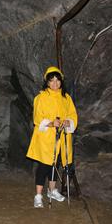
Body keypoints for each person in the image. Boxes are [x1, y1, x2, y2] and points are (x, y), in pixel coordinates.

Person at [26, 66, 78, 208]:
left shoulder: (66, 98)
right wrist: (50, 123)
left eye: (57, 80)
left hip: (61, 137)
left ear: (61, 81)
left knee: (55, 164)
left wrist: (69, 122)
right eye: (51, 81)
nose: (55, 83)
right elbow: (37, 117)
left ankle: (52, 190)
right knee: (44, 165)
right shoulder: (41, 98)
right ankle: (38, 195)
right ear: (47, 82)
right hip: (46, 137)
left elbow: (72, 114)